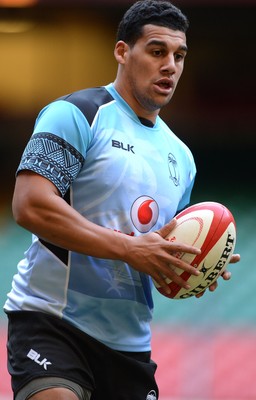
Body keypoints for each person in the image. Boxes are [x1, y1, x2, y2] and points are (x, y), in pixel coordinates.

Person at [4, 1, 240, 399]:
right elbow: (29, 205)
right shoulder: (76, 114)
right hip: (52, 320)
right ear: (122, 52)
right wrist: (130, 249)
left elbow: (154, 248)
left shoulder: (182, 158)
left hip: (129, 347)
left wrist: (192, 264)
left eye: (179, 56)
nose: (170, 66)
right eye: (157, 51)